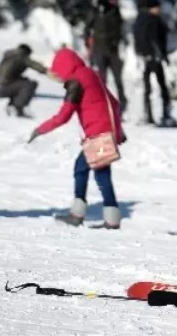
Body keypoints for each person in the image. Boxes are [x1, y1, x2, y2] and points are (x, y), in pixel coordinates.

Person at [28, 47, 126, 229]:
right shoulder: (91, 74)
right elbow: (114, 102)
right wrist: (117, 130)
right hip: (105, 130)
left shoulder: (76, 82)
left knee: (94, 172)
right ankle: (98, 216)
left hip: (98, 133)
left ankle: (82, 215)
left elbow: (63, 116)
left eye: (58, 72)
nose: (59, 77)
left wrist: (40, 130)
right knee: (90, 170)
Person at [133, 0, 173, 126]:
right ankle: (166, 115)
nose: (159, 10)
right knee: (162, 85)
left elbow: (138, 39)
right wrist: (162, 55)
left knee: (147, 86)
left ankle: (147, 114)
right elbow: (156, 39)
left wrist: (140, 53)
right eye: (157, 7)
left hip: (144, 57)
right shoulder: (154, 20)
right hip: (154, 57)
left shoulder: (139, 20)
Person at [87, 0, 128, 115]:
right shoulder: (96, 12)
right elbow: (88, 27)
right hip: (99, 50)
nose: (115, 1)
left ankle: (122, 104)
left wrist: (118, 41)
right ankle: (102, 105)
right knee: (102, 80)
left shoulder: (116, 11)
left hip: (113, 51)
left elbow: (120, 29)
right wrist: (88, 45)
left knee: (118, 79)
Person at [0, 44, 48, 118]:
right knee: (30, 84)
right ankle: (17, 108)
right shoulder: (21, 56)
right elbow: (35, 65)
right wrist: (47, 71)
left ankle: (11, 106)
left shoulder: (9, 56)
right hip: (2, 88)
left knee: (23, 81)